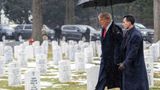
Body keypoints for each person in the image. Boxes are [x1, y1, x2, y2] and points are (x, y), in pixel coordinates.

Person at [119, 15, 149, 90]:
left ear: (129, 22)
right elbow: (123, 47)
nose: (123, 24)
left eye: (124, 22)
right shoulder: (127, 33)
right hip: (128, 66)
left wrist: (125, 63)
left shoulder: (136, 35)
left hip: (135, 66)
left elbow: (133, 52)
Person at [95, 12, 123, 90]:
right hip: (105, 58)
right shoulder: (103, 29)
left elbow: (119, 44)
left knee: (117, 79)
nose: (100, 22)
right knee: (102, 77)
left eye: (101, 20)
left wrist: (117, 58)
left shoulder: (116, 29)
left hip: (112, 59)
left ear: (107, 19)